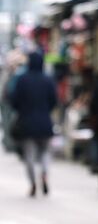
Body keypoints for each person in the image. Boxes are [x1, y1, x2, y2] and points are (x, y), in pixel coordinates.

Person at [10, 51, 57, 197]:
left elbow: (14, 100)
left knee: (29, 156)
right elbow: (54, 100)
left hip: (27, 124)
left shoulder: (22, 79)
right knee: (45, 153)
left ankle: (32, 183)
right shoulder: (48, 80)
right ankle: (43, 173)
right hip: (45, 123)